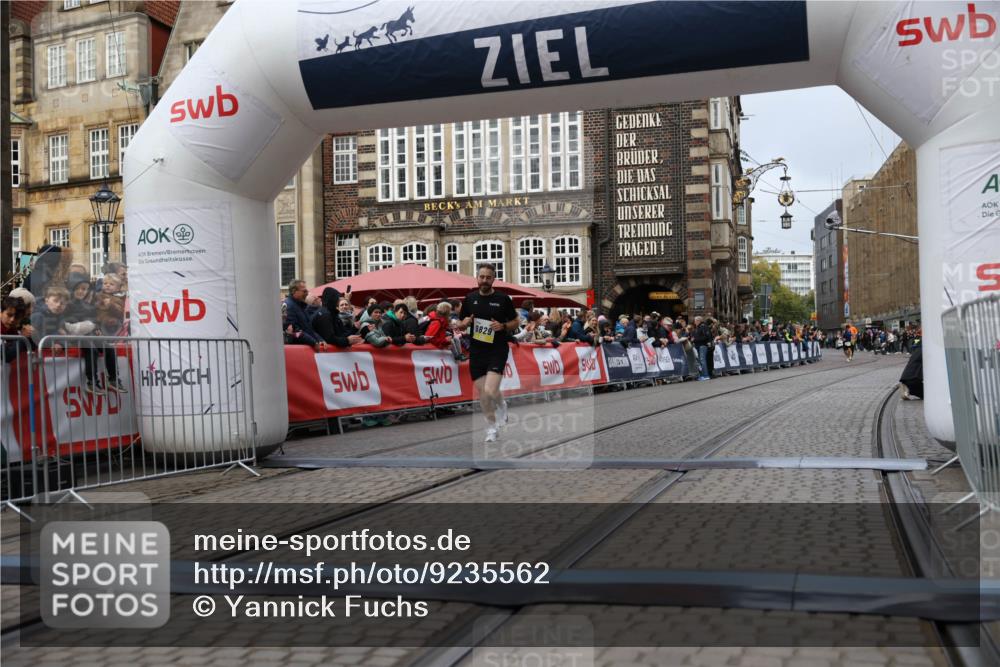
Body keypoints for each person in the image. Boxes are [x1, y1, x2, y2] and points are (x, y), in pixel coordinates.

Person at [453, 264, 519, 443]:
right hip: (477, 350)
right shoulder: (470, 298)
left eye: (488, 277)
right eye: (481, 277)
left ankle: (500, 408)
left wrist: (503, 326)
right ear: (477, 277)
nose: (484, 280)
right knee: (484, 392)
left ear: (493, 279)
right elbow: (460, 323)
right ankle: (492, 427)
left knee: (489, 390)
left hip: (497, 349)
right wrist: (463, 323)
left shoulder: (503, 299)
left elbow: (515, 321)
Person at [283, 280, 326, 349]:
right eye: (304, 291)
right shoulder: (289, 306)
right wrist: (313, 342)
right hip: (297, 351)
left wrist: (320, 340)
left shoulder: (301, 306)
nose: (307, 293)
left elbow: (309, 329)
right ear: (294, 291)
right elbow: (294, 331)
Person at [899, 333, 923, 400]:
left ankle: (906, 388)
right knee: (929, 394)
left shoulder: (917, 350)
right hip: (914, 380)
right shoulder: (926, 352)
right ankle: (908, 388)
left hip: (905, 378)